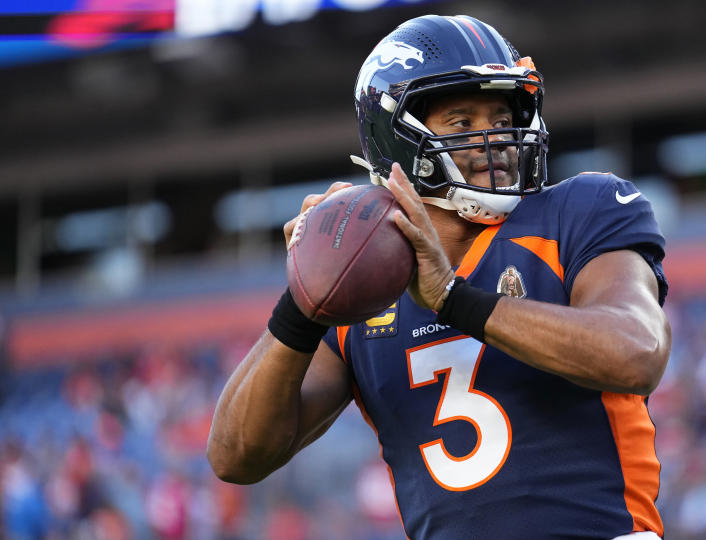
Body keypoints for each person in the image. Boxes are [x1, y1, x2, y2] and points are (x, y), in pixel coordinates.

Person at [207, 14, 672, 540]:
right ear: (396, 139)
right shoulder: (363, 283)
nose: (492, 138)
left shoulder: (579, 209)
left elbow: (637, 351)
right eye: (461, 122)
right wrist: (304, 298)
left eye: (501, 116)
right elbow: (235, 456)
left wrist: (453, 299)